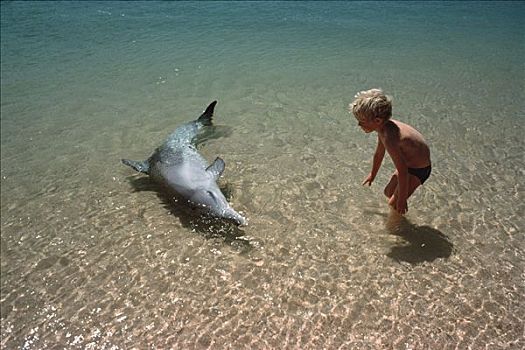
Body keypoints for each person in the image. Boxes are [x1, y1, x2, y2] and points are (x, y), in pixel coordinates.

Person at [350, 89, 431, 214]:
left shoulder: (390, 138)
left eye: (362, 121)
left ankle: (400, 228)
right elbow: (379, 153)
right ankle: (398, 202)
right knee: (388, 192)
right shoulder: (383, 129)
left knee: (394, 204)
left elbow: (403, 171)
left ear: (377, 121)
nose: (358, 124)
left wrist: (402, 200)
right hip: (409, 164)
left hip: (419, 169)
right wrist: (373, 174)